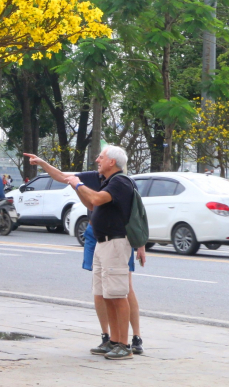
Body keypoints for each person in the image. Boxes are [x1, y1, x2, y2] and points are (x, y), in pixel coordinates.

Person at [25, 148, 144, 360]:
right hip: (102, 242)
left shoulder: (120, 182)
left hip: (115, 243)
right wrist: (74, 186)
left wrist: (78, 184)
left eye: (101, 157)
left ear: (112, 162)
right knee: (107, 294)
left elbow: (97, 199)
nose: (97, 159)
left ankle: (125, 345)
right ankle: (114, 342)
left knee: (118, 294)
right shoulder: (106, 180)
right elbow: (89, 203)